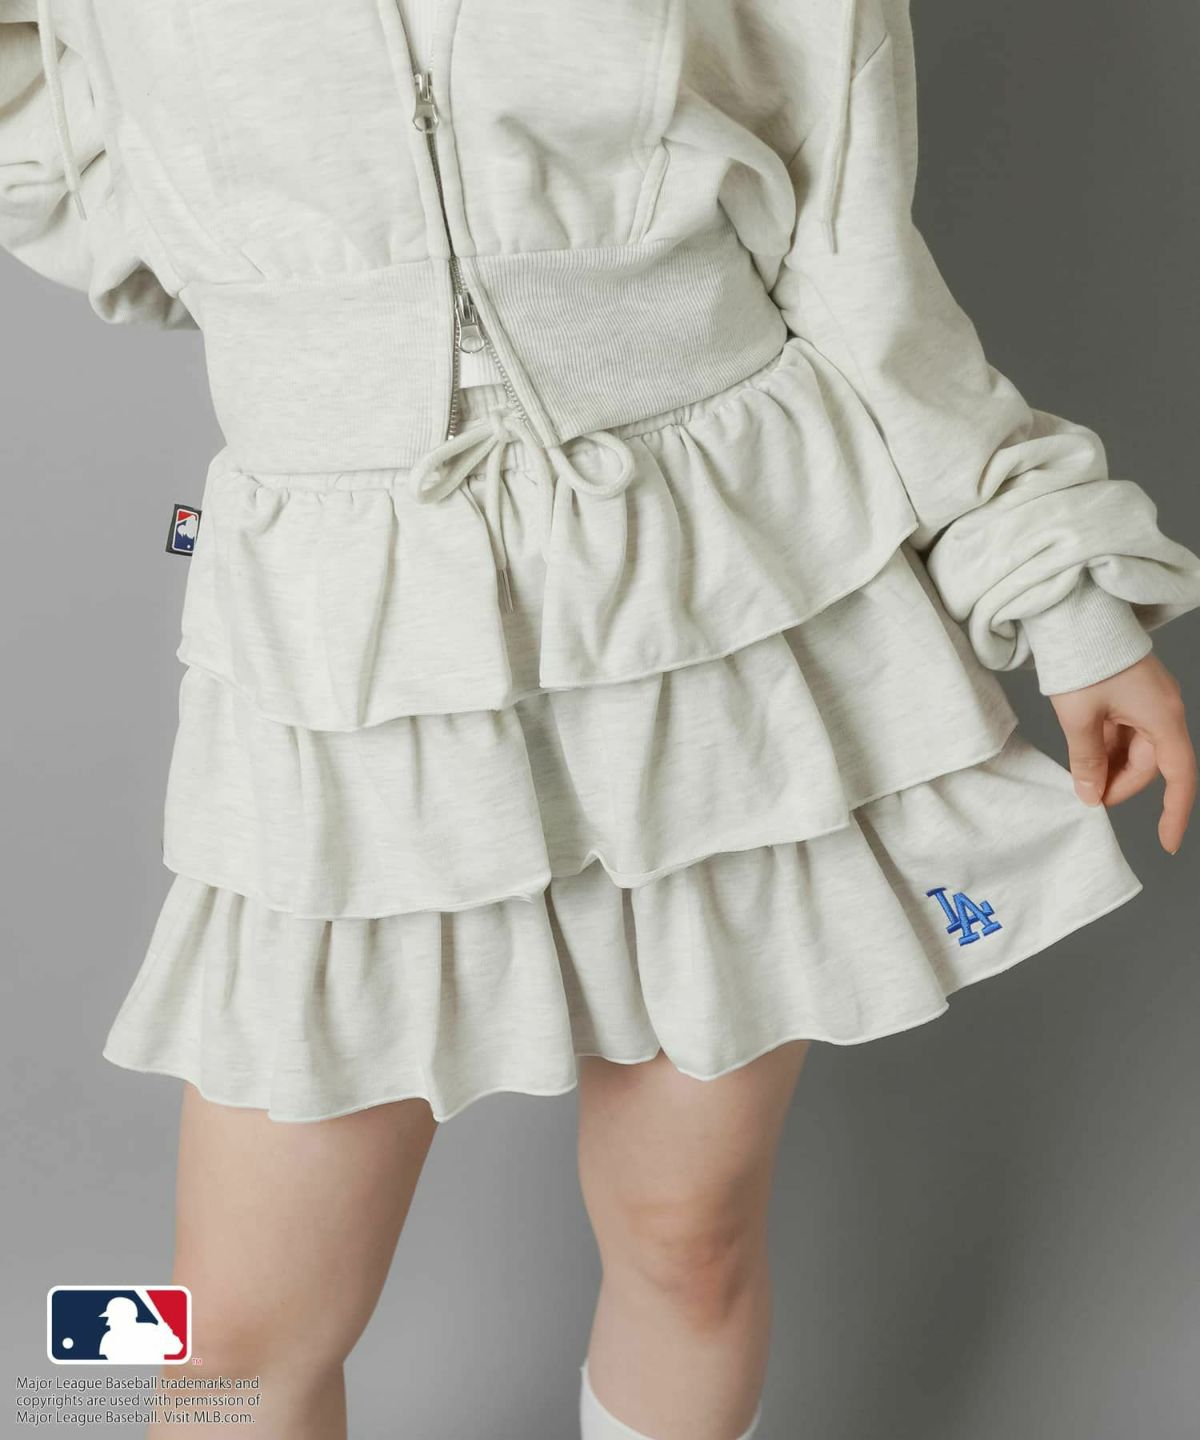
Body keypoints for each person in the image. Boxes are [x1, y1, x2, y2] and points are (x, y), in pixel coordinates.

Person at [3, 1, 1197, 1435]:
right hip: (352, 635)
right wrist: (252, 253)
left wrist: (1060, 588)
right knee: (232, 1334)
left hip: (717, 595)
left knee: (686, 1237)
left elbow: (852, 245)